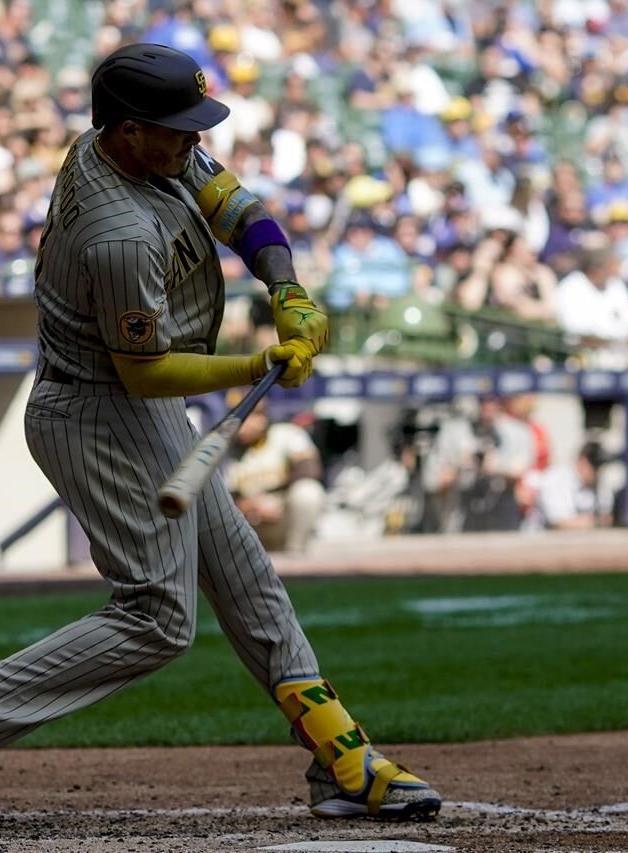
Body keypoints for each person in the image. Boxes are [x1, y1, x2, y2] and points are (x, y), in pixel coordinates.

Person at [2, 44, 440, 822]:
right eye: (175, 129)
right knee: (159, 617)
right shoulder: (117, 232)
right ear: (129, 130)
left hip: (139, 408)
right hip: (96, 414)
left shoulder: (144, 150)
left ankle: (340, 755)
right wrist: (255, 363)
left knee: (246, 578)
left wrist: (287, 286)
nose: (192, 141)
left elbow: (236, 205)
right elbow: (145, 373)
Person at [228, 402, 326, 554]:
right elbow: (224, 496)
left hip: (281, 514)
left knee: (308, 491)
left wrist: (273, 501)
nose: (239, 426)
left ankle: (296, 553)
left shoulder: (286, 433)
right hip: (250, 522)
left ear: (261, 418)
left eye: (244, 419)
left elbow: (310, 469)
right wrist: (251, 505)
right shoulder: (228, 448)